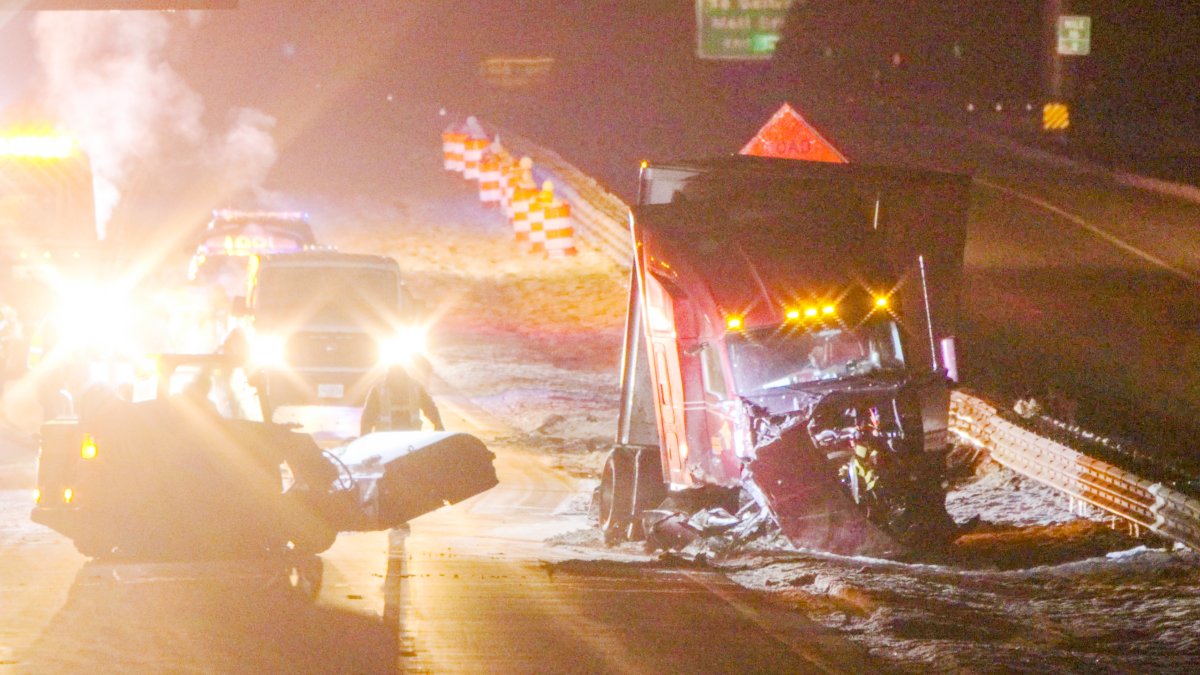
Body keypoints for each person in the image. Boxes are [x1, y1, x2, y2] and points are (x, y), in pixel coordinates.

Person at [360, 364, 443, 435]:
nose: (397, 380)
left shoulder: (378, 389)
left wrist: (364, 438)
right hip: (401, 441)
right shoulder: (416, 387)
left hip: (397, 441)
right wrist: (439, 426)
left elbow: (367, 417)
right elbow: (430, 409)